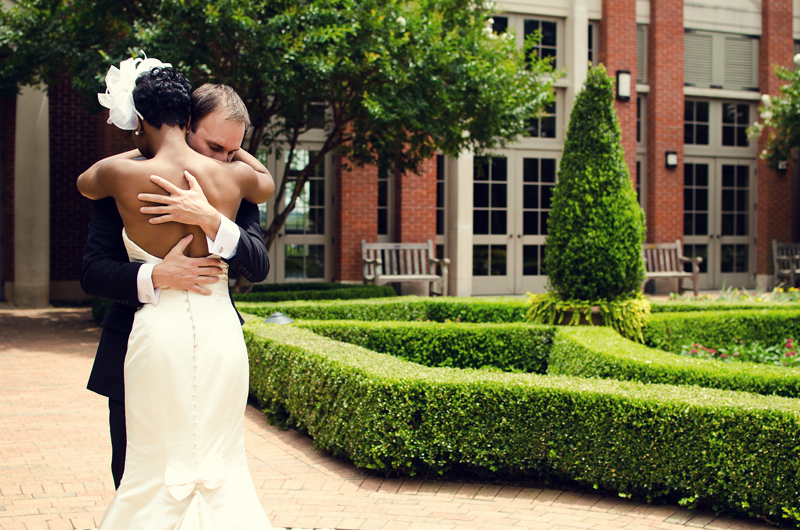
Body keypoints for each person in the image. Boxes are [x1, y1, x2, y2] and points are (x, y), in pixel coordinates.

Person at [78, 58, 272, 528]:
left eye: (234, 150)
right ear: (188, 124)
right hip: (140, 335)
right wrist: (155, 276)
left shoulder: (119, 178)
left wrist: (212, 219)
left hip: (184, 338)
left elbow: (259, 264)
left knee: (204, 461)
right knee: (134, 468)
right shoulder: (238, 179)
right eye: (217, 146)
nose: (224, 158)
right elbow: (92, 271)